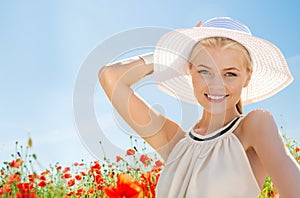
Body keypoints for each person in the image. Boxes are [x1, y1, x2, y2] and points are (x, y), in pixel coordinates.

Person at [99, 17, 300, 197]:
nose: (216, 85)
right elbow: (111, 77)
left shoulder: (255, 125)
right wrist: (170, 57)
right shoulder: (176, 144)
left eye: (230, 74)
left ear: (247, 77)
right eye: (204, 71)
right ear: (189, 70)